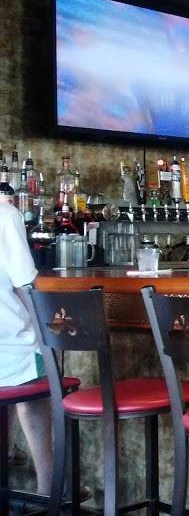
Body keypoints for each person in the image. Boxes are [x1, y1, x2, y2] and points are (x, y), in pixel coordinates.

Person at [0, 202, 52, 496]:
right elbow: (25, 286)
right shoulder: (6, 215)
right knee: (38, 376)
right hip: (9, 344)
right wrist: (47, 332)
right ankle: (50, 489)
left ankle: (7, 449)